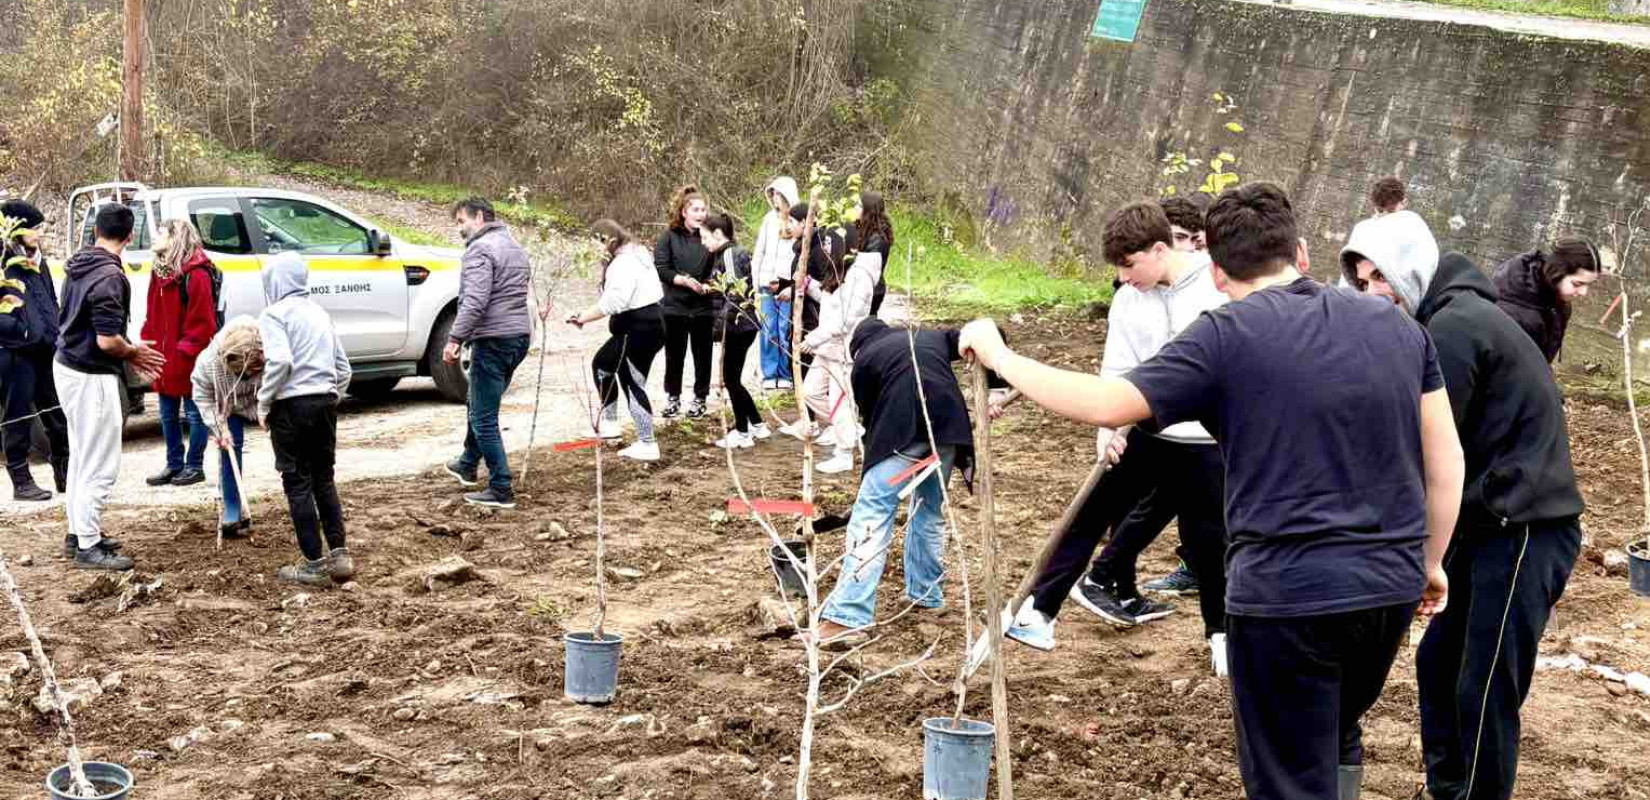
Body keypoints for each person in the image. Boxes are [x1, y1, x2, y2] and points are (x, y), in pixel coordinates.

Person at [960, 182, 1465, 800]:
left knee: (1289, 777)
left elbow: (1107, 402)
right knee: (1333, 734)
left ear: (1219, 273)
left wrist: (999, 355)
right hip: (1385, 589)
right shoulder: (1397, 327)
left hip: (1286, 596)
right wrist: (1431, 562)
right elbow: (1445, 461)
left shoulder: (1223, 334)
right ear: (1302, 253)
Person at [1343, 214, 1585, 800]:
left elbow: (1423, 448)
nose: (1372, 292)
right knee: (1439, 662)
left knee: (1485, 684)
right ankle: (1448, 786)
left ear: (1411, 269)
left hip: (1526, 526)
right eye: (1361, 282)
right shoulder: (1450, 318)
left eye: (1381, 278)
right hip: (1487, 521)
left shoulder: (1452, 329)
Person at [1005, 201, 1230, 672]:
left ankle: (1222, 638)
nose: (1125, 277)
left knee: (1211, 543)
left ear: (1160, 249)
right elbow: (1118, 371)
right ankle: (1038, 612)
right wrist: (1108, 431)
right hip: (1148, 427)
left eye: (1130, 265)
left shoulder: (1219, 285)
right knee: (1088, 516)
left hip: (1207, 440)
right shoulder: (1129, 299)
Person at [805, 316, 1002, 646]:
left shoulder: (863, 361)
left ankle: (848, 618)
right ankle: (926, 594)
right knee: (929, 509)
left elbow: (872, 424)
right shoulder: (931, 336)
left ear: (859, 346)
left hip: (904, 433)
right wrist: (998, 388)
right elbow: (982, 333)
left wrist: (874, 478)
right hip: (948, 431)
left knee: (872, 511)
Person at [55, 203, 165, 570]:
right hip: (91, 373)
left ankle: (79, 532)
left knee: (82, 455)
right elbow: (106, 341)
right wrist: (134, 352)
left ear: (95, 232)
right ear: (131, 236)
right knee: (101, 461)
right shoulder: (110, 278)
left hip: (67, 365)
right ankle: (88, 544)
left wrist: (127, 346)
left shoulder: (79, 264)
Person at [258, 251, 354, 587]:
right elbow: (344, 369)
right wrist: (329, 397)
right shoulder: (319, 312)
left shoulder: (273, 314)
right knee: (323, 479)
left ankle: (313, 564)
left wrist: (263, 402)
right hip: (325, 402)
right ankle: (339, 554)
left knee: (297, 483)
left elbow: (280, 362)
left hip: (291, 408)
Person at [441, 198, 533, 509]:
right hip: (518, 337)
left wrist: (454, 339)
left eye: (461, 221)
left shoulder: (479, 249)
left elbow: (475, 301)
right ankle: (467, 463)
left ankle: (500, 487)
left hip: (493, 341)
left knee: (483, 417)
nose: (459, 229)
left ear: (479, 217)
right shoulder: (514, 246)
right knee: (478, 402)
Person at [1139, 194, 1209, 598]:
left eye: (1191, 238)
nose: (1187, 247)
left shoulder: (1211, 286)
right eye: (1177, 237)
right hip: (1160, 416)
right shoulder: (1139, 291)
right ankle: (1191, 567)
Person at [783, 218, 883, 474]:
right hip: (827, 348)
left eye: (829, 242)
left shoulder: (858, 275)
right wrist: (809, 285)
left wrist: (813, 339)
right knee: (810, 392)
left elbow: (846, 319)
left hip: (843, 350)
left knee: (840, 402)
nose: (825, 247)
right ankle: (851, 429)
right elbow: (829, 302)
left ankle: (844, 451)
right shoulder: (835, 270)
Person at [565, 220, 668, 462]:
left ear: (608, 241)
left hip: (640, 328)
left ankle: (647, 443)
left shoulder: (624, 262)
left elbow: (614, 303)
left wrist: (583, 317)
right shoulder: (636, 252)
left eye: (596, 246)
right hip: (644, 325)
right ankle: (610, 424)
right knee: (603, 364)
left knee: (632, 382)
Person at [142, 219, 221, 489]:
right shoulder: (158, 271)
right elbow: (152, 312)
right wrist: (148, 342)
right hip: (165, 356)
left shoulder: (196, 274)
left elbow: (203, 324)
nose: (155, 237)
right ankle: (174, 464)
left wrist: (182, 352)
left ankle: (194, 465)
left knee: (194, 413)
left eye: (161, 232)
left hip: (187, 358)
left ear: (176, 237)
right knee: (166, 414)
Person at [0, 200, 68, 501]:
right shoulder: (5, 263)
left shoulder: (37, 260)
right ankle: (21, 480)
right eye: (36, 228)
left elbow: (49, 299)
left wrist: (54, 331)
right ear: (17, 229)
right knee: (18, 417)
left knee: (56, 414)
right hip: (16, 352)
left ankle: (64, 472)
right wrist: (21, 332)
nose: (40, 234)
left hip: (45, 349)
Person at [702, 213, 770, 450]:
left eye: (705, 237)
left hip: (739, 326)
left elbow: (735, 293)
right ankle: (757, 424)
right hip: (742, 325)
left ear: (719, 234)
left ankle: (742, 432)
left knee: (731, 378)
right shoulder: (726, 254)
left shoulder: (729, 254)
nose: (703, 242)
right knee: (734, 378)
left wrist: (720, 329)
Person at [192, 316, 263, 539]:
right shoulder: (208, 363)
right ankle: (232, 508)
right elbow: (203, 396)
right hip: (228, 406)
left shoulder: (266, 349)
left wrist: (267, 410)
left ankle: (305, 502)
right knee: (230, 448)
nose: (248, 376)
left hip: (263, 399)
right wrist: (219, 428)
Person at [654, 185, 714, 419]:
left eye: (703, 210)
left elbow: (717, 265)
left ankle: (700, 398)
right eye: (695, 209)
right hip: (674, 307)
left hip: (703, 307)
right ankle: (673, 397)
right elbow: (661, 268)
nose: (700, 214)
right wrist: (683, 281)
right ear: (683, 212)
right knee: (674, 355)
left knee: (702, 356)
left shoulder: (710, 235)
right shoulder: (669, 236)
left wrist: (708, 284)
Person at [1491, 239, 1601, 363]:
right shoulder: (1513, 313)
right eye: (1577, 284)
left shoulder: (1557, 303)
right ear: (1557, 272)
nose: (1583, 292)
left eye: (1589, 284)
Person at [751, 177, 799, 390]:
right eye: (773, 195)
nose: (775, 199)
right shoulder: (769, 219)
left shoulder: (797, 221)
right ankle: (769, 374)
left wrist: (792, 285)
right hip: (765, 282)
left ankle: (785, 373)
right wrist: (755, 284)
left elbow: (800, 259)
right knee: (768, 328)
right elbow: (759, 252)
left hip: (786, 283)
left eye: (778, 195)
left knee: (784, 328)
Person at [847, 190, 896, 316]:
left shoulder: (878, 238)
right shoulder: (862, 228)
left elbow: (866, 264)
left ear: (868, 209)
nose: (855, 208)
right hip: (860, 286)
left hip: (871, 289)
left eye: (858, 205)